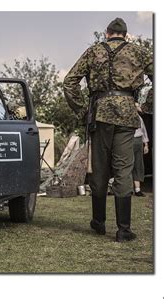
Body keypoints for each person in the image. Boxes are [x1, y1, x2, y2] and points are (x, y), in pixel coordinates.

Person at [63, 18, 153, 242]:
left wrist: (83, 111)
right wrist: (147, 107)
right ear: (126, 34)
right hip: (126, 115)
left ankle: (99, 222)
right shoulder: (139, 52)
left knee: (100, 169)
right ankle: (124, 229)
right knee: (123, 171)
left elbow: (69, 82)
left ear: (107, 33)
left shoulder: (93, 51)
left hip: (99, 114)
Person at [132, 111, 149, 197]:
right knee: (127, 164)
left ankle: (137, 189)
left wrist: (145, 144)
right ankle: (128, 188)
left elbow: (143, 130)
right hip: (128, 140)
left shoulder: (139, 117)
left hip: (138, 140)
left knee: (138, 164)